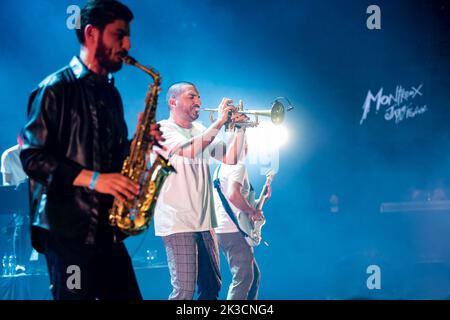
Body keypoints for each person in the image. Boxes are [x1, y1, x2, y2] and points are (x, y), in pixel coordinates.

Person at [19, 0, 163, 300]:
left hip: (106, 231)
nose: (127, 44)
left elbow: (107, 156)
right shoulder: (55, 88)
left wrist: (138, 144)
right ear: (91, 33)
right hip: (67, 234)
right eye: (119, 35)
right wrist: (96, 179)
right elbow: (33, 158)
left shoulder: (111, 93)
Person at [154, 81, 247, 300]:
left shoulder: (200, 130)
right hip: (178, 222)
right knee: (184, 292)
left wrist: (241, 130)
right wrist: (220, 122)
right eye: (191, 97)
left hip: (205, 221)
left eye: (198, 97)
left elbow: (231, 157)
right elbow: (189, 150)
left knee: (212, 287)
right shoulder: (162, 129)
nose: (199, 102)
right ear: (173, 102)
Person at [212, 135, 269, 300]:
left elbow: (237, 202)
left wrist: (262, 198)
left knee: (253, 276)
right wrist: (252, 211)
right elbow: (233, 195)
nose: (246, 146)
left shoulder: (221, 168)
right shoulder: (238, 166)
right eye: (244, 142)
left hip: (225, 230)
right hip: (233, 231)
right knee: (243, 278)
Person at [1, 136, 29, 273]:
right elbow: (7, 182)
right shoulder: (8, 155)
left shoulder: (39, 153)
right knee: (21, 224)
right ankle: (20, 264)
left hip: (38, 195)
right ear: (19, 140)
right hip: (19, 197)